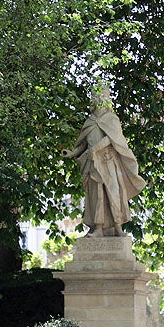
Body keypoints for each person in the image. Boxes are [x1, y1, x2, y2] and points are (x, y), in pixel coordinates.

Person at [62, 87, 147, 237]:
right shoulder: (89, 121)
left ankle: (118, 228)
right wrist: (72, 153)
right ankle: (98, 229)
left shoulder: (111, 119)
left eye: (102, 96)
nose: (99, 99)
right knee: (97, 196)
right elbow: (83, 144)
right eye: (96, 96)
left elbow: (113, 138)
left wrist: (96, 147)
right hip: (93, 163)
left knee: (114, 194)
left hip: (108, 162)